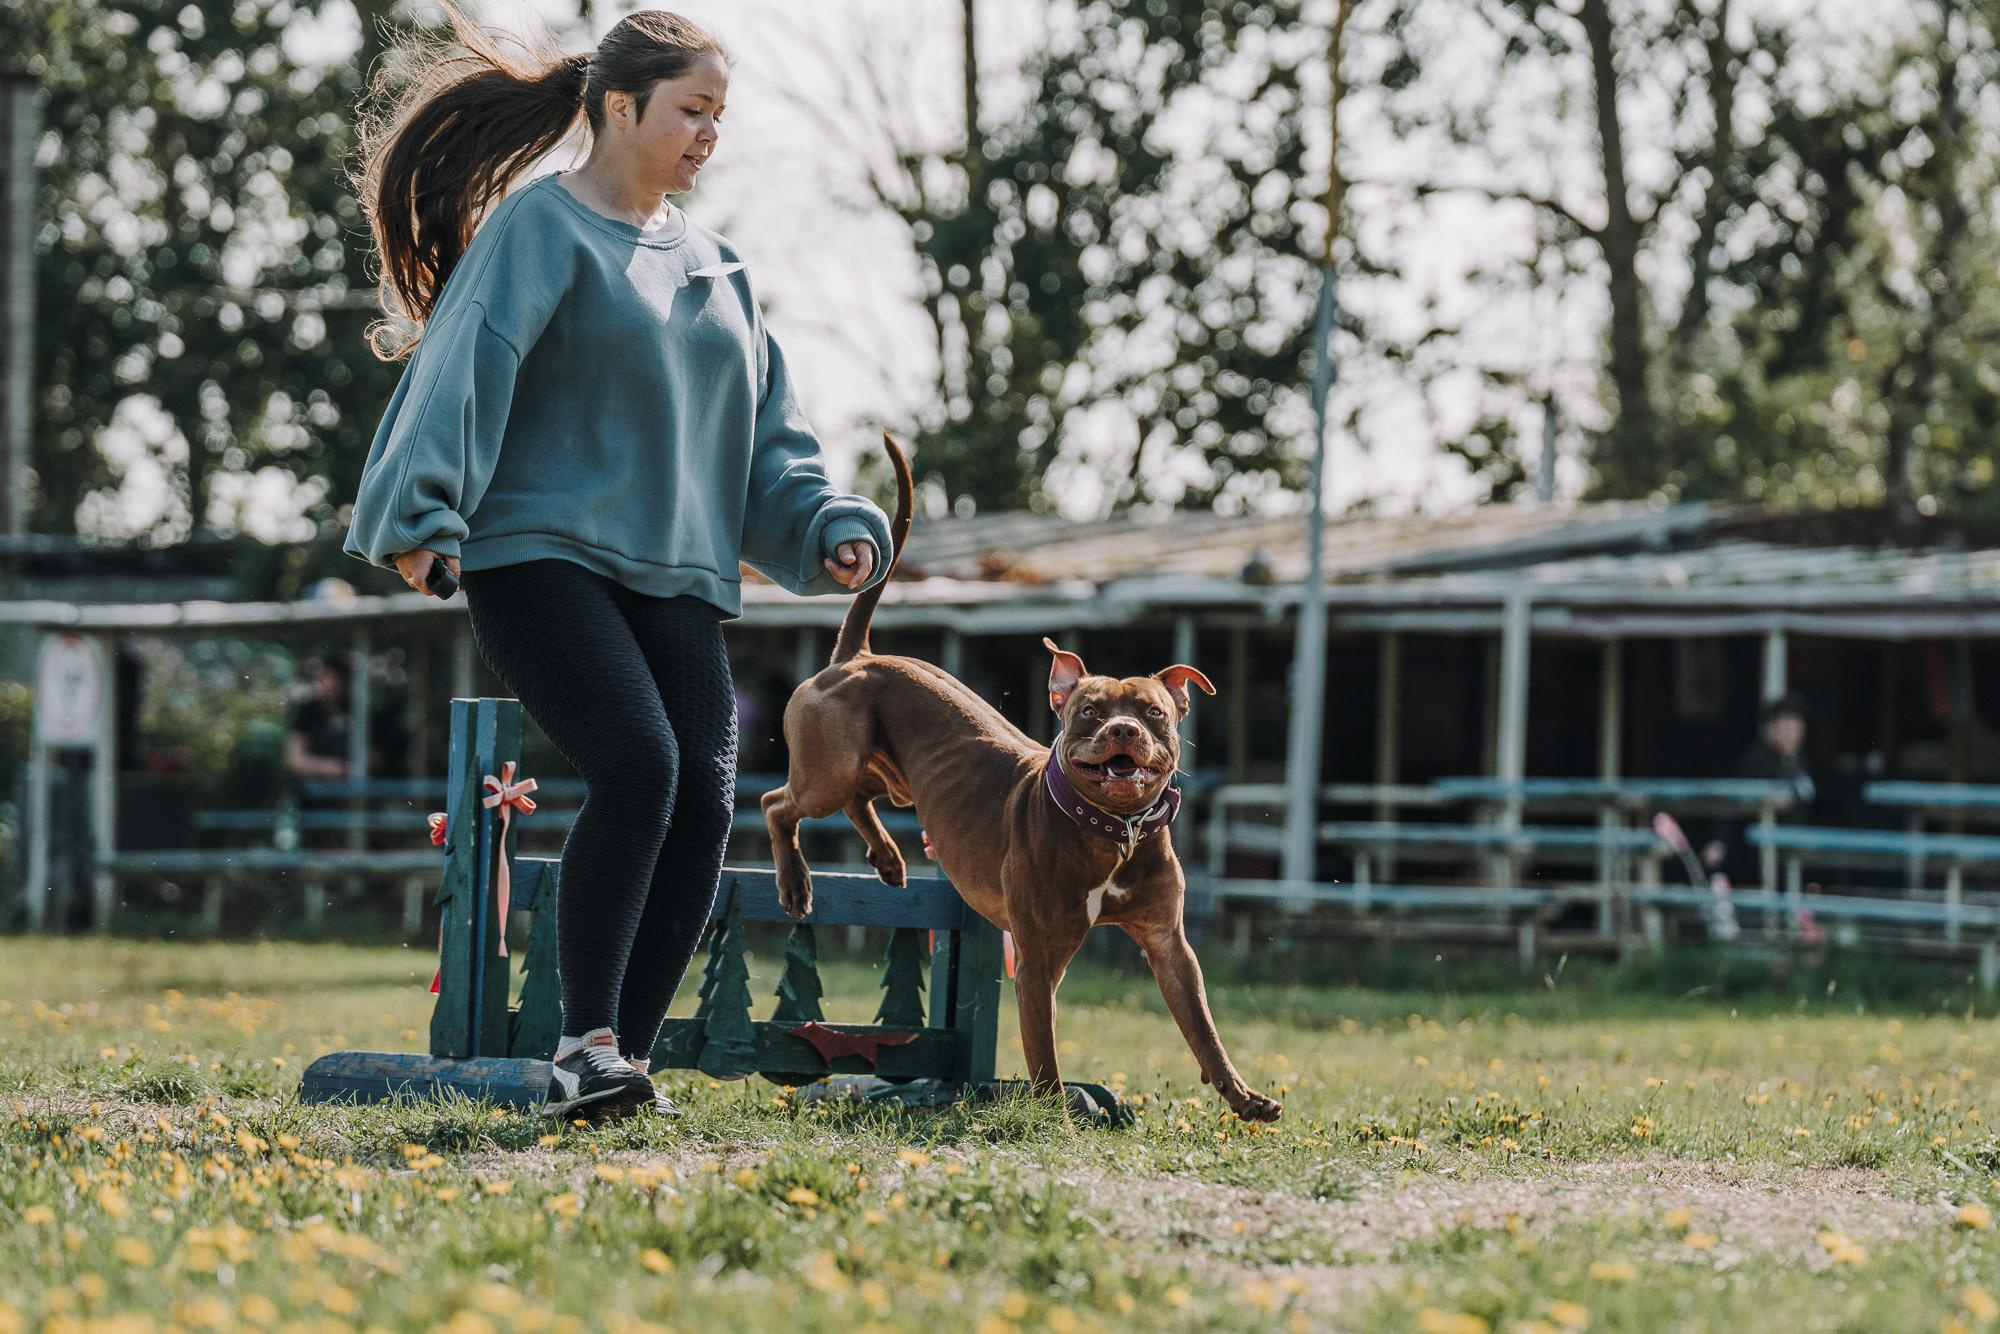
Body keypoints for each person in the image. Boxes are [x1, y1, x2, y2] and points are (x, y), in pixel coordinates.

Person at [342, 7, 890, 1124]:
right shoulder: (538, 228)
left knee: (703, 803)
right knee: (641, 764)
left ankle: (617, 1063)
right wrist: (421, 516)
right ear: (616, 106)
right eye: (691, 111)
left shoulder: (718, 267)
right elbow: (463, 365)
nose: (707, 135)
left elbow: (764, 438)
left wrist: (823, 518)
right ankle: (580, 1042)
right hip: (538, 555)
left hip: (675, 569)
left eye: (719, 117)